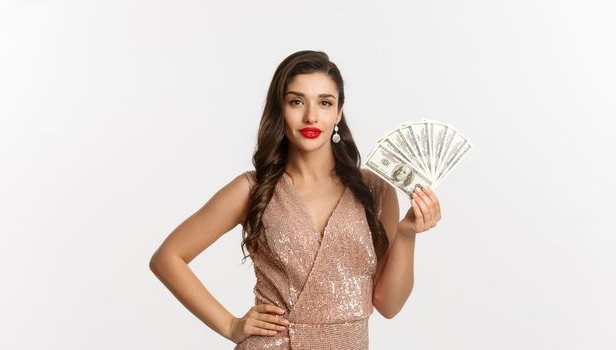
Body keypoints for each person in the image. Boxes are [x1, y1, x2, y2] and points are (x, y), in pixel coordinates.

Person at [149, 50, 442, 349]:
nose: (311, 116)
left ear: (339, 112)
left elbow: (388, 305)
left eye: (325, 102)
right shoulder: (253, 188)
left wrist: (407, 234)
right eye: (297, 101)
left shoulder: (374, 189)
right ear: (281, 109)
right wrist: (230, 324)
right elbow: (167, 257)